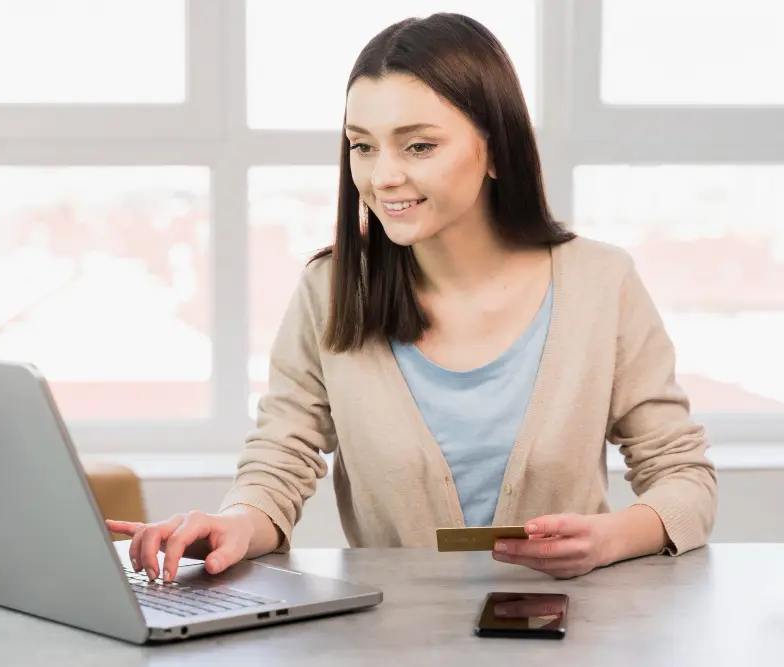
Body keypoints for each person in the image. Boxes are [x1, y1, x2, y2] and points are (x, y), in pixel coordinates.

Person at [107, 13, 717, 583]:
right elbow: (280, 457)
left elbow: (684, 477)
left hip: (571, 635)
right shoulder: (331, 289)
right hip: (392, 640)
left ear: (498, 150)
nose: (382, 176)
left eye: (418, 145)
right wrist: (235, 521)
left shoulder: (600, 283)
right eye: (362, 145)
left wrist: (612, 538)